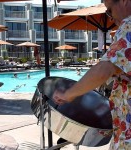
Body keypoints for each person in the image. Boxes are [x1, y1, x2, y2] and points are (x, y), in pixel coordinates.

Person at [53, 0, 131, 149]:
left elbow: (105, 68)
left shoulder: (129, 25)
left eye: (109, 10)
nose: (110, 17)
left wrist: (69, 93)